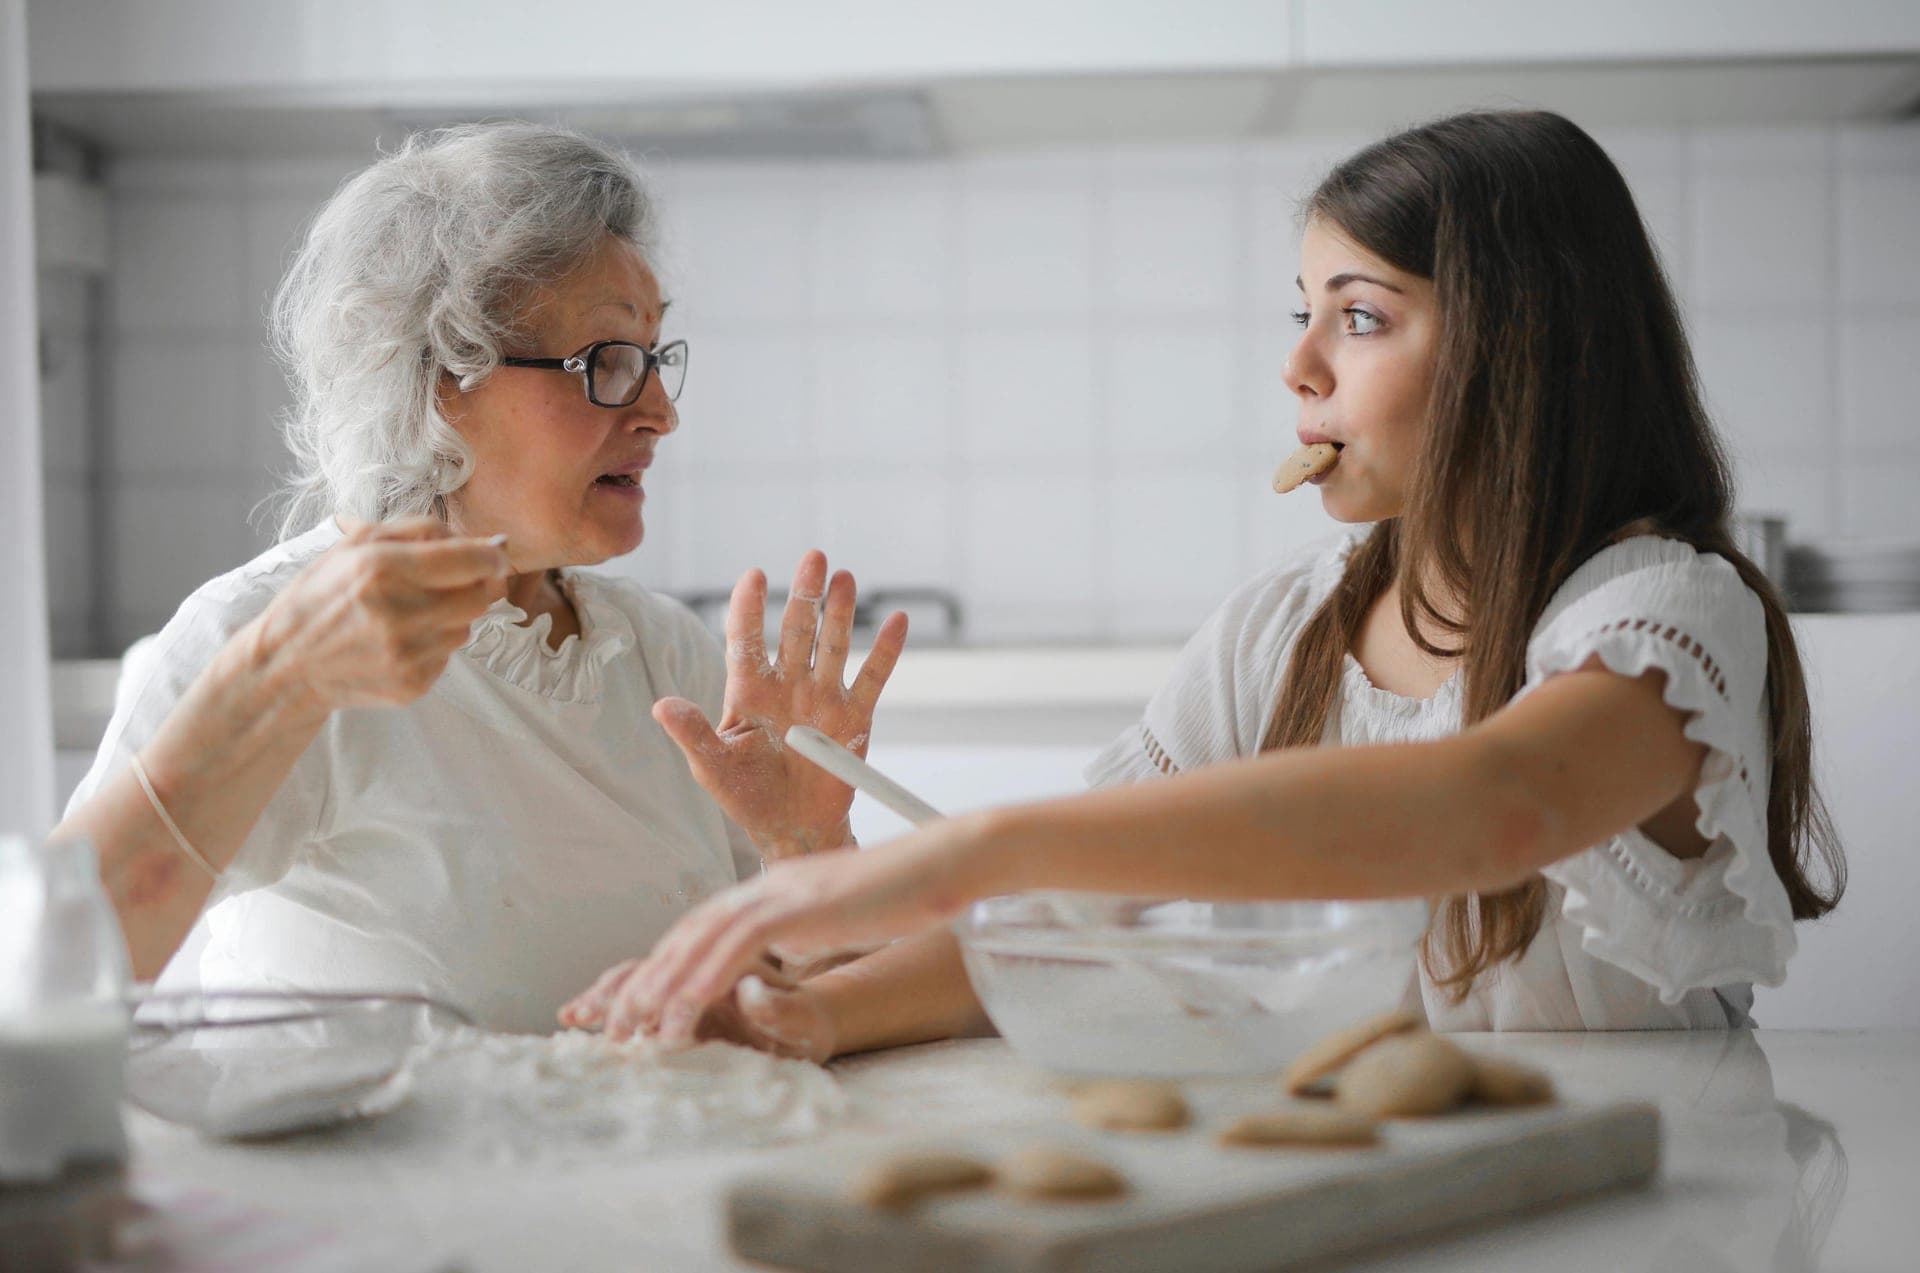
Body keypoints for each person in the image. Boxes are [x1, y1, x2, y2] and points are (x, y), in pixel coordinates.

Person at [564, 110, 1845, 1053]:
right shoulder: (1281, 632)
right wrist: (816, 1012)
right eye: (1300, 311)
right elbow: (1077, 916)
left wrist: (980, 843)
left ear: (1521, 349)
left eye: (1360, 315)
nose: (1298, 365)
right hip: (1383, 1199)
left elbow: (1496, 802)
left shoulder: (1665, 616)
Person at [55, 122, 905, 1033]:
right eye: (607, 363)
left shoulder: (663, 655)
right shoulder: (266, 631)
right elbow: (51, 970)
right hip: (372, 1177)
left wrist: (806, 848)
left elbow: (804, 1012)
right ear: (432, 381)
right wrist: (273, 684)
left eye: (656, 358)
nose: (660, 411)